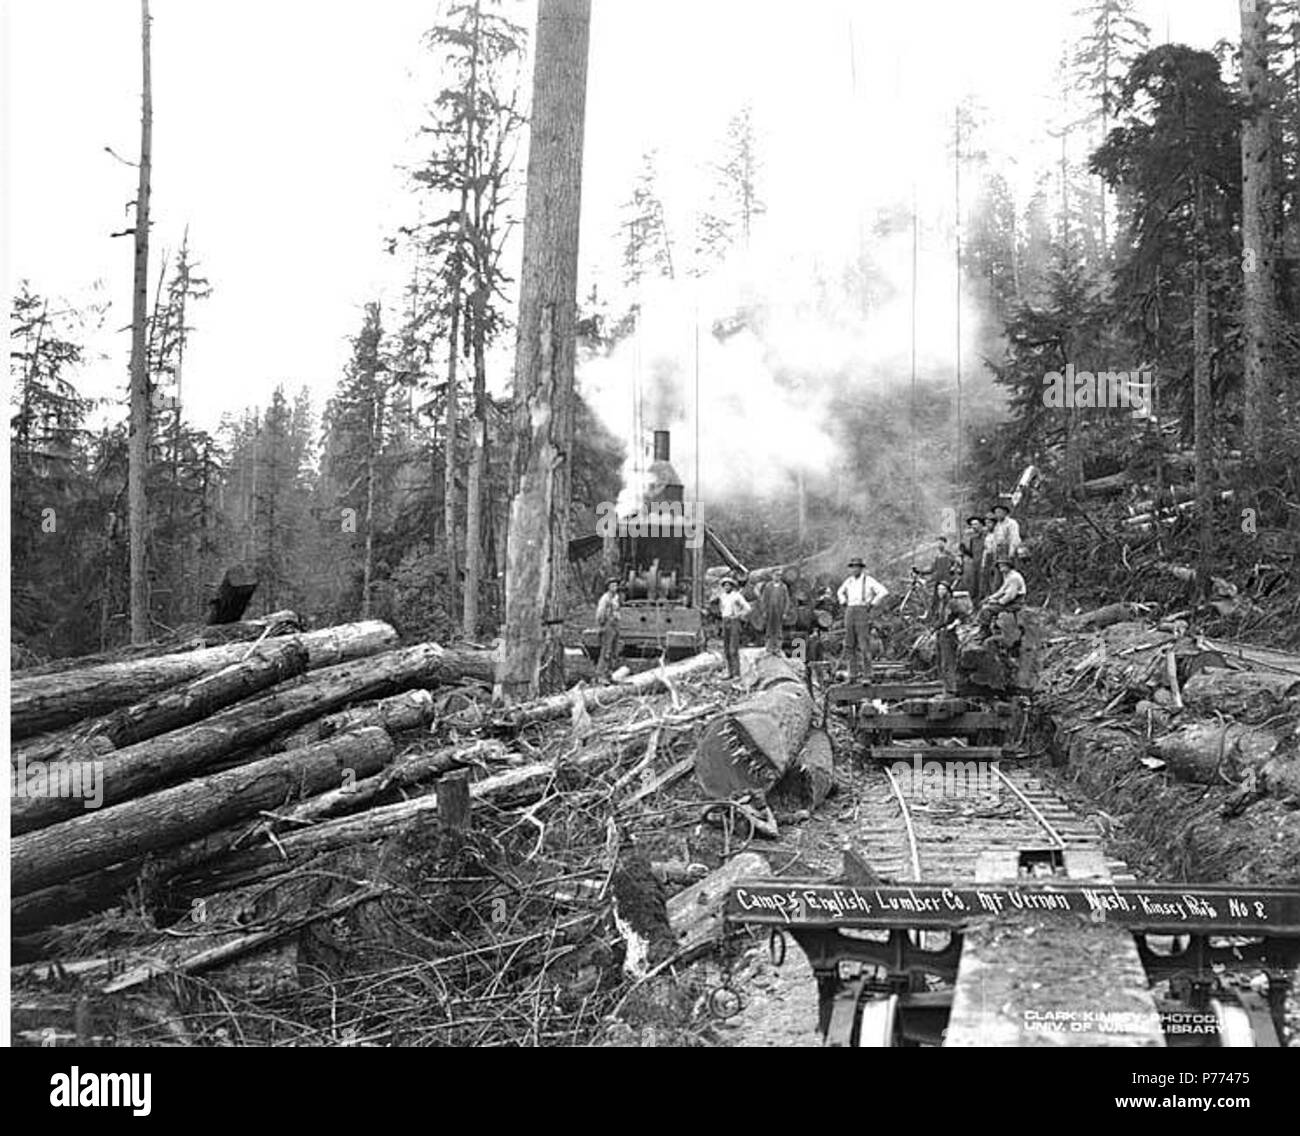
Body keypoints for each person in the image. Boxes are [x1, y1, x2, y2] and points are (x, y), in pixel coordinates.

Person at [837, 557, 888, 682]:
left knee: (864, 644)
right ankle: (852, 675)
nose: (854, 569)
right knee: (849, 644)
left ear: (861, 568)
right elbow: (840, 592)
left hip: (862, 611)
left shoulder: (868, 580)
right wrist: (843, 601)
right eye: (852, 567)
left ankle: (867, 675)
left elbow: (883, 591)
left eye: (857, 567)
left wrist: (872, 603)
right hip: (850, 610)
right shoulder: (848, 581)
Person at [978, 555, 1026, 638]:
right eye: (999, 566)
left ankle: (985, 632)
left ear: (1008, 566)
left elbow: (1010, 595)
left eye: (1003, 566)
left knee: (987, 609)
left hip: (1015, 603)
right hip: (1009, 601)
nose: (1000, 568)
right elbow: (1002, 590)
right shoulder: (1007, 575)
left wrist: (998, 602)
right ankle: (989, 627)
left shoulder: (1014, 577)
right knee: (986, 605)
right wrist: (990, 598)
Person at [931, 579, 963, 692]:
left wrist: (953, 625)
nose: (940, 592)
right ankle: (945, 686)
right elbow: (939, 620)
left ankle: (951, 689)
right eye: (938, 589)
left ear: (947, 590)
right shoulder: (941, 603)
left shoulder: (952, 602)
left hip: (949, 635)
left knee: (948, 662)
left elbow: (961, 616)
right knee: (940, 662)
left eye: (942, 589)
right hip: (941, 633)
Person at [717, 576, 752, 679]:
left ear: (732, 586)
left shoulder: (736, 596)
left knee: (733, 649)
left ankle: (736, 673)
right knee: (726, 649)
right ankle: (729, 672)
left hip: (734, 621)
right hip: (725, 621)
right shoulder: (722, 596)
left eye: (728, 585)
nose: (727, 587)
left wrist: (739, 615)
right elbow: (721, 608)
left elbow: (748, 608)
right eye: (725, 585)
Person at [987, 502, 1023, 588]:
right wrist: (994, 552)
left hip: (1008, 550)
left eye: (1000, 512)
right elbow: (995, 540)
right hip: (999, 552)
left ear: (1005, 513)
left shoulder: (1011, 523)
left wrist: (1011, 552)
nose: (998, 514)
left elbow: (1014, 538)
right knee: (998, 575)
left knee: (1009, 573)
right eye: (996, 513)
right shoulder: (997, 525)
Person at [595, 577, 622, 680]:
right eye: (612, 585)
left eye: (616, 585)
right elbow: (600, 613)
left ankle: (608, 675)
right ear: (608, 587)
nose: (615, 587)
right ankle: (600, 675)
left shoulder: (616, 598)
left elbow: (617, 611)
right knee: (606, 651)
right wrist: (602, 625)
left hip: (615, 625)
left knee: (614, 651)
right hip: (608, 625)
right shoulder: (605, 598)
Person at [760, 573, 791, 655]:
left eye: (779, 575)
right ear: (772, 576)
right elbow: (764, 599)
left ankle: (777, 648)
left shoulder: (783, 587)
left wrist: (785, 612)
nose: (777, 577)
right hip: (770, 611)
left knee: (778, 630)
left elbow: (787, 600)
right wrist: (764, 611)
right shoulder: (768, 586)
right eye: (775, 575)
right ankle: (768, 647)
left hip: (779, 612)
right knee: (769, 629)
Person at [959, 516, 986, 605]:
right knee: (974, 586)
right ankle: (975, 605)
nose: (973, 526)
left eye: (976, 524)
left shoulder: (986, 537)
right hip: (975, 565)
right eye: (972, 525)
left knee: (984, 586)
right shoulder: (973, 539)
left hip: (985, 565)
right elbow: (971, 554)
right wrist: (964, 549)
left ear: (981, 525)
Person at [928, 536, 955, 614]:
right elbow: (932, 569)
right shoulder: (937, 556)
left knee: (946, 602)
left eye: (941, 543)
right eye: (938, 543)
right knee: (935, 600)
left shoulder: (949, 554)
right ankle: (933, 617)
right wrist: (920, 572)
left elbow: (956, 564)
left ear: (945, 543)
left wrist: (953, 569)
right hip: (938, 580)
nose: (939, 545)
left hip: (946, 582)